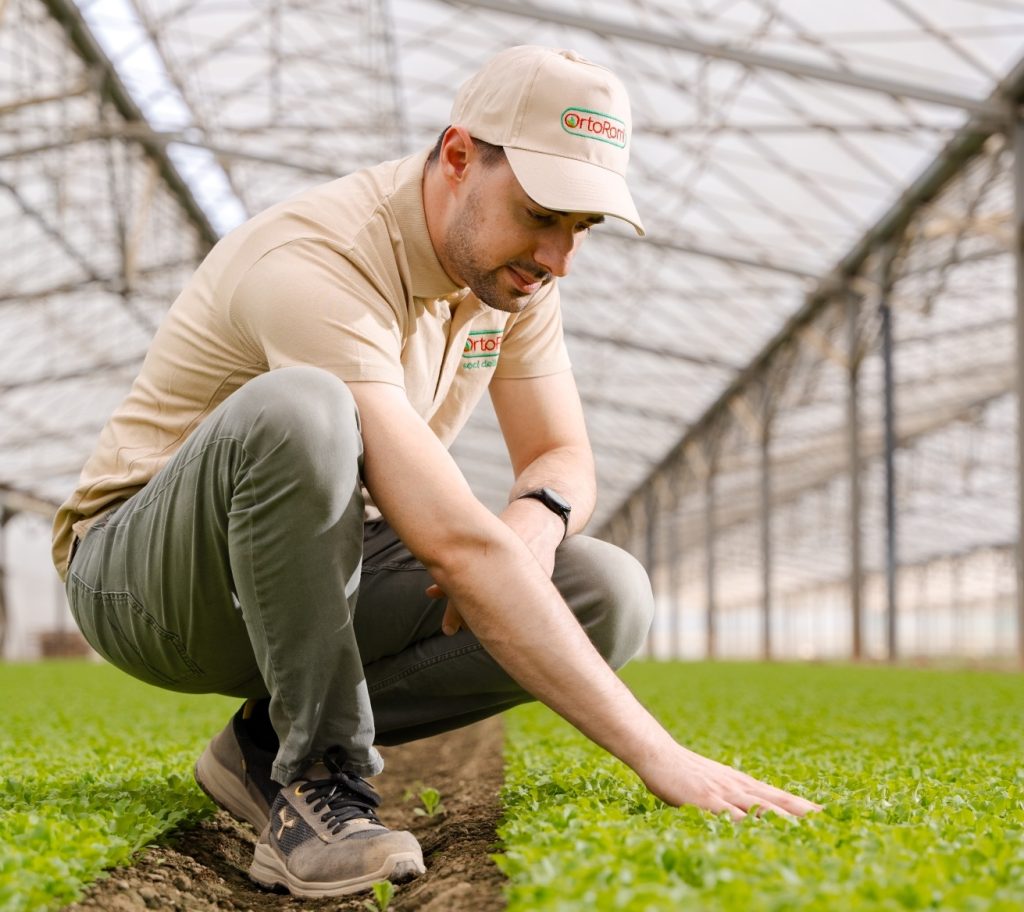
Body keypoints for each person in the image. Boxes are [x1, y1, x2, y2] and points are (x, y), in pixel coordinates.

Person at [52, 46, 820, 899]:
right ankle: (316, 782)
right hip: (152, 583)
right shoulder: (322, 258)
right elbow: (455, 544)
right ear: (459, 156)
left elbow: (562, 458)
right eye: (541, 214)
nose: (558, 257)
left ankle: (264, 747)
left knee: (606, 592)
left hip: (310, 575)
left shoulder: (509, 280)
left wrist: (538, 520)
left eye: (581, 229)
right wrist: (659, 754)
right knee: (303, 409)